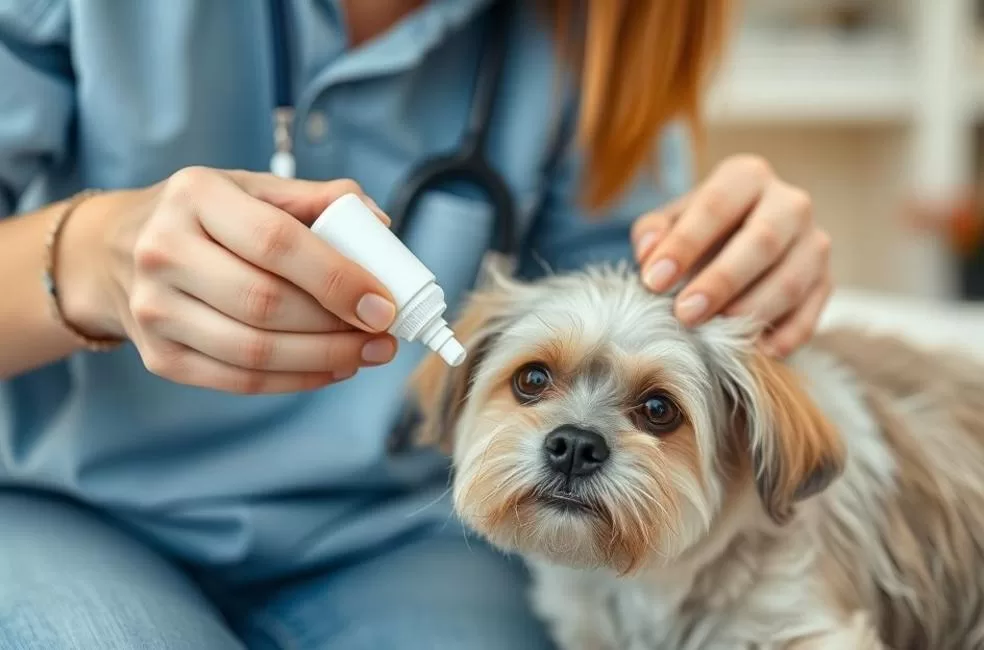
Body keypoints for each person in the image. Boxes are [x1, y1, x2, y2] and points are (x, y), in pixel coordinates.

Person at [0, 0, 832, 648]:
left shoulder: (599, 29)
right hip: (64, 509)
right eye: (535, 382)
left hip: (404, 531)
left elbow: (635, 308)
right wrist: (84, 259)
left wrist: (742, 271)